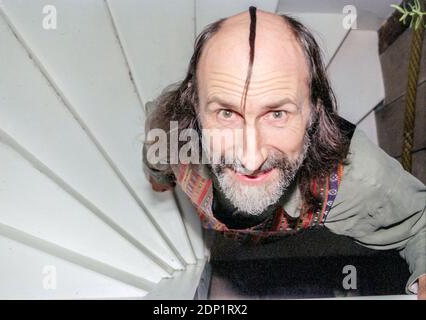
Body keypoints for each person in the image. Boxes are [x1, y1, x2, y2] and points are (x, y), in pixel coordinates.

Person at [142, 7, 425, 298]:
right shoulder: (170, 130)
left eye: (277, 114)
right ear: (193, 106)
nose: (250, 161)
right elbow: (154, 146)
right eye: (226, 113)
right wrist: (159, 176)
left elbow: (420, 221)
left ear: (315, 111)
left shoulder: (354, 177)